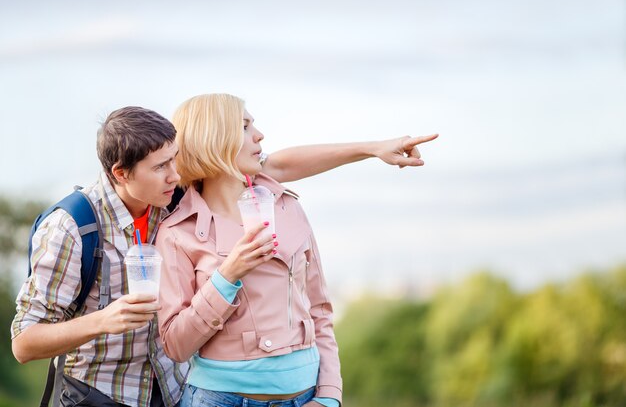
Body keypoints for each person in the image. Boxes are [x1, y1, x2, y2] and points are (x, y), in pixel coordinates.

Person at [11, 105, 437, 407]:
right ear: (121, 174)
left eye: (175, 161)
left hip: (175, 393)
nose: (177, 176)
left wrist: (372, 148)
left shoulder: (171, 194)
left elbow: (280, 165)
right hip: (104, 396)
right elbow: (24, 343)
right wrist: (104, 320)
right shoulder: (73, 227)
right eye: (162, 167)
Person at [158, 93, 412, 407]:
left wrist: (330, 396)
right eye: (245, 126)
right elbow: (175, 345)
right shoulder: (176, 233)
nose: (259, 134)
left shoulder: (287, 206)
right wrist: (226, 276)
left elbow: (320, 311)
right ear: (215, 138)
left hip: (305, 398)